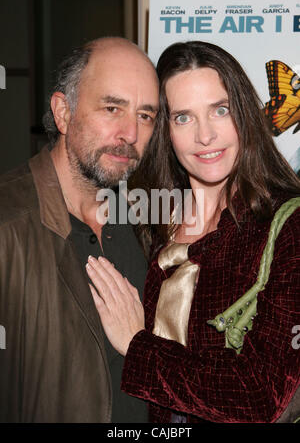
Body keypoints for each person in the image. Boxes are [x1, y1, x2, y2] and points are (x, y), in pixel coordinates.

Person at [86, 41, 300, 423]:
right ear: (165, 131)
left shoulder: (288, 227)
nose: (206, 136)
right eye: (183, 117)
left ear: (246, 114)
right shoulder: (145, 222)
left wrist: (139, 348)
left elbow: (263, 396)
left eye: (220, 110)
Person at [0, 37, 159, 423]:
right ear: (63, 112)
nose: (130, 135)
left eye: (145, 116)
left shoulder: (147, 223)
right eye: (112, 108)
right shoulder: (8, 224)